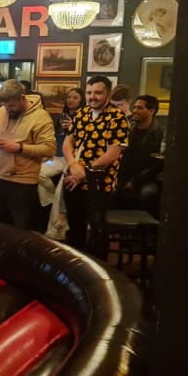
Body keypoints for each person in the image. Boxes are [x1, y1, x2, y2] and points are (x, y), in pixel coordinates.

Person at [62, 75, 130, 256]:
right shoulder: (81, 113)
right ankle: (76, 266)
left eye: (98, 93)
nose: (92, 97)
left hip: (99, 183)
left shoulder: (118, 117)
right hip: (73, 178)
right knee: (75, 227)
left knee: (97, 232)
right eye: (89, 92)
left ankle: (98, 268)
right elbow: (68, 142)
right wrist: (73, 165)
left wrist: (84, 172)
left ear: (108, 93)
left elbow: (113, 153)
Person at [0, 79, 57, 229]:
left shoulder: (41, 117)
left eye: (11, 106)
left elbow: (50, 148)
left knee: (20, 231)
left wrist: (19, 147)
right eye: (4, 105)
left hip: (22, 182)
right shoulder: (0, 112)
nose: (7, 110)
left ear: (23, 98)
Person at [117, 94, 164, 215]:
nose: (134, 111)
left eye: (139, 108)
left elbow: (157, 165)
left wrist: (135, 181)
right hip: (124, 176)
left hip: (148, 179)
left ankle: (147, 226)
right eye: (134, 107)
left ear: (151, 111)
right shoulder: (128, 128)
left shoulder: (160, 133)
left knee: (148, 193)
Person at [57, 87, 86, 155]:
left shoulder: (85, 117)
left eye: (75, 98)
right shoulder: (63, 115)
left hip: (76, 152)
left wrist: (74, 127)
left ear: (81, 100)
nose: (71, 100)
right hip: (60, 151)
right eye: (69, 97)